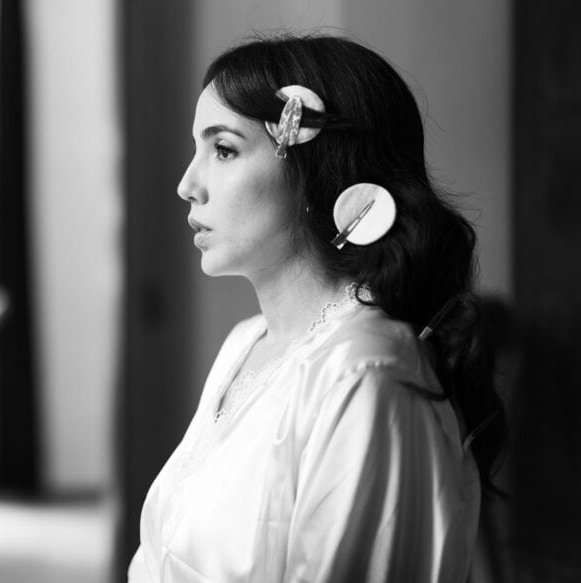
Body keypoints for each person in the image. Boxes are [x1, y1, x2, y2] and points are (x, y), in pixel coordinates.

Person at [128, 33, 507, 582]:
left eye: (224, 150)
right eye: (197, 149)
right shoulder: (245, 345)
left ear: (314, 170)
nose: (188, 185)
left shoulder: (365, 374)